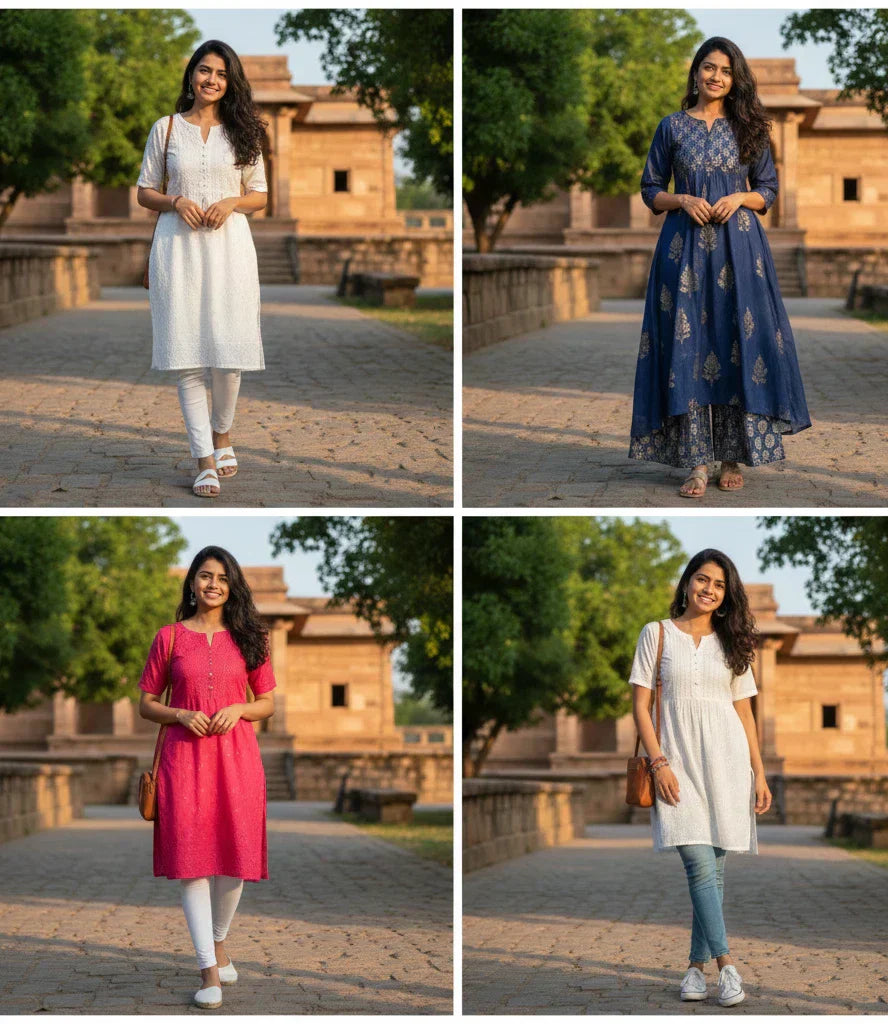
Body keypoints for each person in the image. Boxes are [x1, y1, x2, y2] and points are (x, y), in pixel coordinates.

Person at [628, 37, 811, 498]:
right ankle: (695, 463)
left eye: (725, 71)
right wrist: (682, 198)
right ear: (695, 73)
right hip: (683, 248)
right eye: (708, 68)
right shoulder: (671, 127)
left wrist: (738, 197)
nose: (716, 77)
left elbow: (767, 189)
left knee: (737, 341)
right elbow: (650, 187)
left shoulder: (750, 127)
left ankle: (732, 456)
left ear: (735, 79)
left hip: (739, 248)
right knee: (687, 344)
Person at [629, 548, 772, 1007]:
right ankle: (728, 967)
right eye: (703, 579)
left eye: (719, 585)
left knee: (713, 871)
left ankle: (694, 970)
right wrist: (659, 763)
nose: (709, 590)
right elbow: (639, 707)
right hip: (677, 765)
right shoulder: (657, 634)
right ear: (687, 581)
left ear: (727, 596)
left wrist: (759, 773)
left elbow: (744, 712)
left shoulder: (734, 643)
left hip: (727, 763)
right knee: (698, 865)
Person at [138, 546, 275, 1008]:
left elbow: (268, 702)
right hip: (184, 760)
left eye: (221, 577)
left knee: (235, 860)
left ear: (231, 585)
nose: (212, 584)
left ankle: (218, 941)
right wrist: (179, 714)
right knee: (193, 863)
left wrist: (239, 708)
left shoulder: (251, 637)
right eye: (203, 576)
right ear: (191, 583)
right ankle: (208, 970)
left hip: (238, 758)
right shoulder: (169, 638)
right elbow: (146, 703)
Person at [136, 40, 269, 498]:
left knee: (229, 356)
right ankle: (204, 460)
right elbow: (144, 190)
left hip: (231, 250)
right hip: (177, 250)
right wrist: (175, 200)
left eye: (222, 74)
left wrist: (232, 201)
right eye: (204, 70)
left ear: (231, 82)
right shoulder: (167, 129)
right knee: (188, 358)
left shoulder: (244, 132)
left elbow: (260, 194)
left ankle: (223, 433)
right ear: (191, 74)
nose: (212, 79)